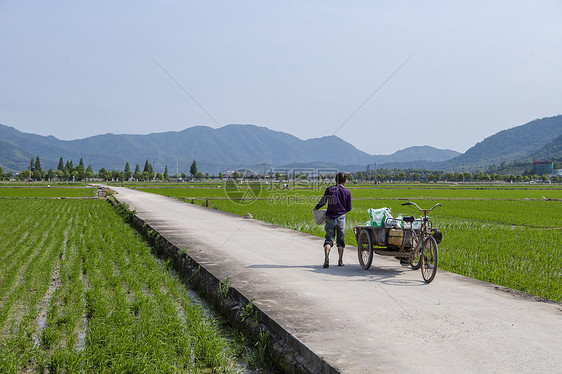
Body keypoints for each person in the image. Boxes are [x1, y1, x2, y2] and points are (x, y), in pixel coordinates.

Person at [314, 172, 352, 268]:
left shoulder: (329, 189)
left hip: (330, 217)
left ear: (335, 180)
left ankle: (326, 258)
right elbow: (349, 207)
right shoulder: (347, 192)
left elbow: (323, 201)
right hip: (341, 218)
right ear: (345, 181)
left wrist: (316, 208)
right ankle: (340, 261)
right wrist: (342, 212)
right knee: (340, 240)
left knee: (328, 239)